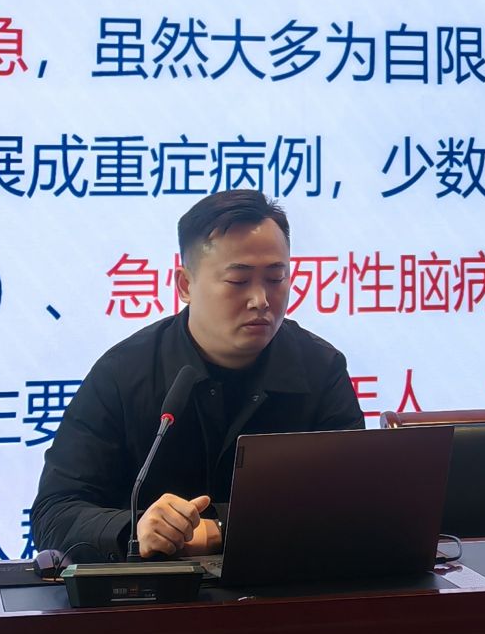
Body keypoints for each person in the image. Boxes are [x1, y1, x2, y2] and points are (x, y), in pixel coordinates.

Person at [30, 189, 364, 561]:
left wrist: (220, 528)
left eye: (275, 278)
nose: (261, 300)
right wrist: (134, 529)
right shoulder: (123, 374)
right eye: (238, 281)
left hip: (282, 588)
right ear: (185, 285)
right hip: (153, 592)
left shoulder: (320, 369)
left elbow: (355, 503)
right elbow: (54, 513)